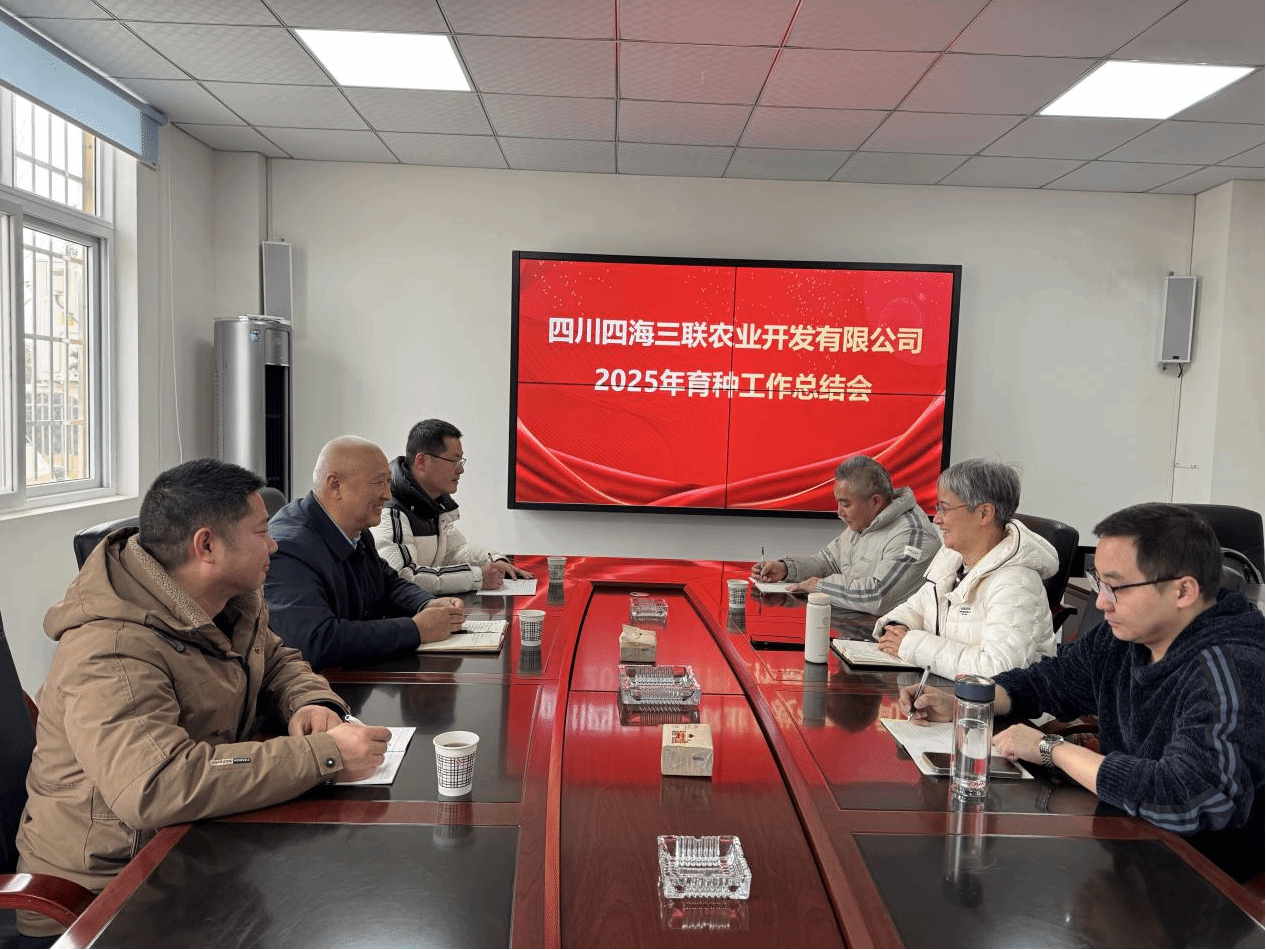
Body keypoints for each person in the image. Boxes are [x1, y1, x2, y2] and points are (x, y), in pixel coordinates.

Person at [15, 460, 392, 942]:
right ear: (207, 546)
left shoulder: (223, 600)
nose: (275, 545)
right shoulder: (110, 649)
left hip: (190, 849)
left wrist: (311, 703)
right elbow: (156, 785)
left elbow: (276, 659)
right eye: (262, 532)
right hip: (103, 897)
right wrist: (325, 756)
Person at [903, 503, 1265, 882]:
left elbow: (1189, 795)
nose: (1101, 602)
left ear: (1183, 590)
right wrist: (972, 701)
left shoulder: (1233, 666)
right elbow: (1051, 681)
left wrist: (1051, 749)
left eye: (1116, 587)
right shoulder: (1124, 634)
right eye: (1098, 582)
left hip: (1206, 877)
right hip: (1127, 838)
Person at [266, 436, 466, 671]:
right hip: (318, 689)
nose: (387, 495)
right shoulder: (288, 549)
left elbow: (387, 584)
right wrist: (415, 630)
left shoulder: (356, 529)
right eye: (379, 482)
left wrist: (427, 604)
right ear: (335, 485)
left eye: (388, 482)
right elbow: (314, 642)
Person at [873, 458, 1057, 679]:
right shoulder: (952, 559)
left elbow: (998, 669)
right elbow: (916, 608)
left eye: (944, 508)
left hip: (999, 702)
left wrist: (910, 644)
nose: (937, 519)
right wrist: (896, 628)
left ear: (984, 513)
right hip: (946, 691)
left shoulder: (1017, 582)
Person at [751, 455, 939, 614]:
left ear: (875, 502)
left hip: (889, 640)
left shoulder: (913, 536)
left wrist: (821, 587)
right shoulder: (865, 522)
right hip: (856, 632)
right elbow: (828, 562)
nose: (839, 511)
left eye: (846, 504)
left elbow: (878, 596)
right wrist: (786, 569)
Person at [372, 418, 530, 594]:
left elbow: (455, 551)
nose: (461, 469)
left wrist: (494, 560)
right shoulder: (390, 511)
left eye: (461, 461)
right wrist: (477, 577)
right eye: (454, 460)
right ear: (422, 461)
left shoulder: (433, 503)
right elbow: (402, 576)